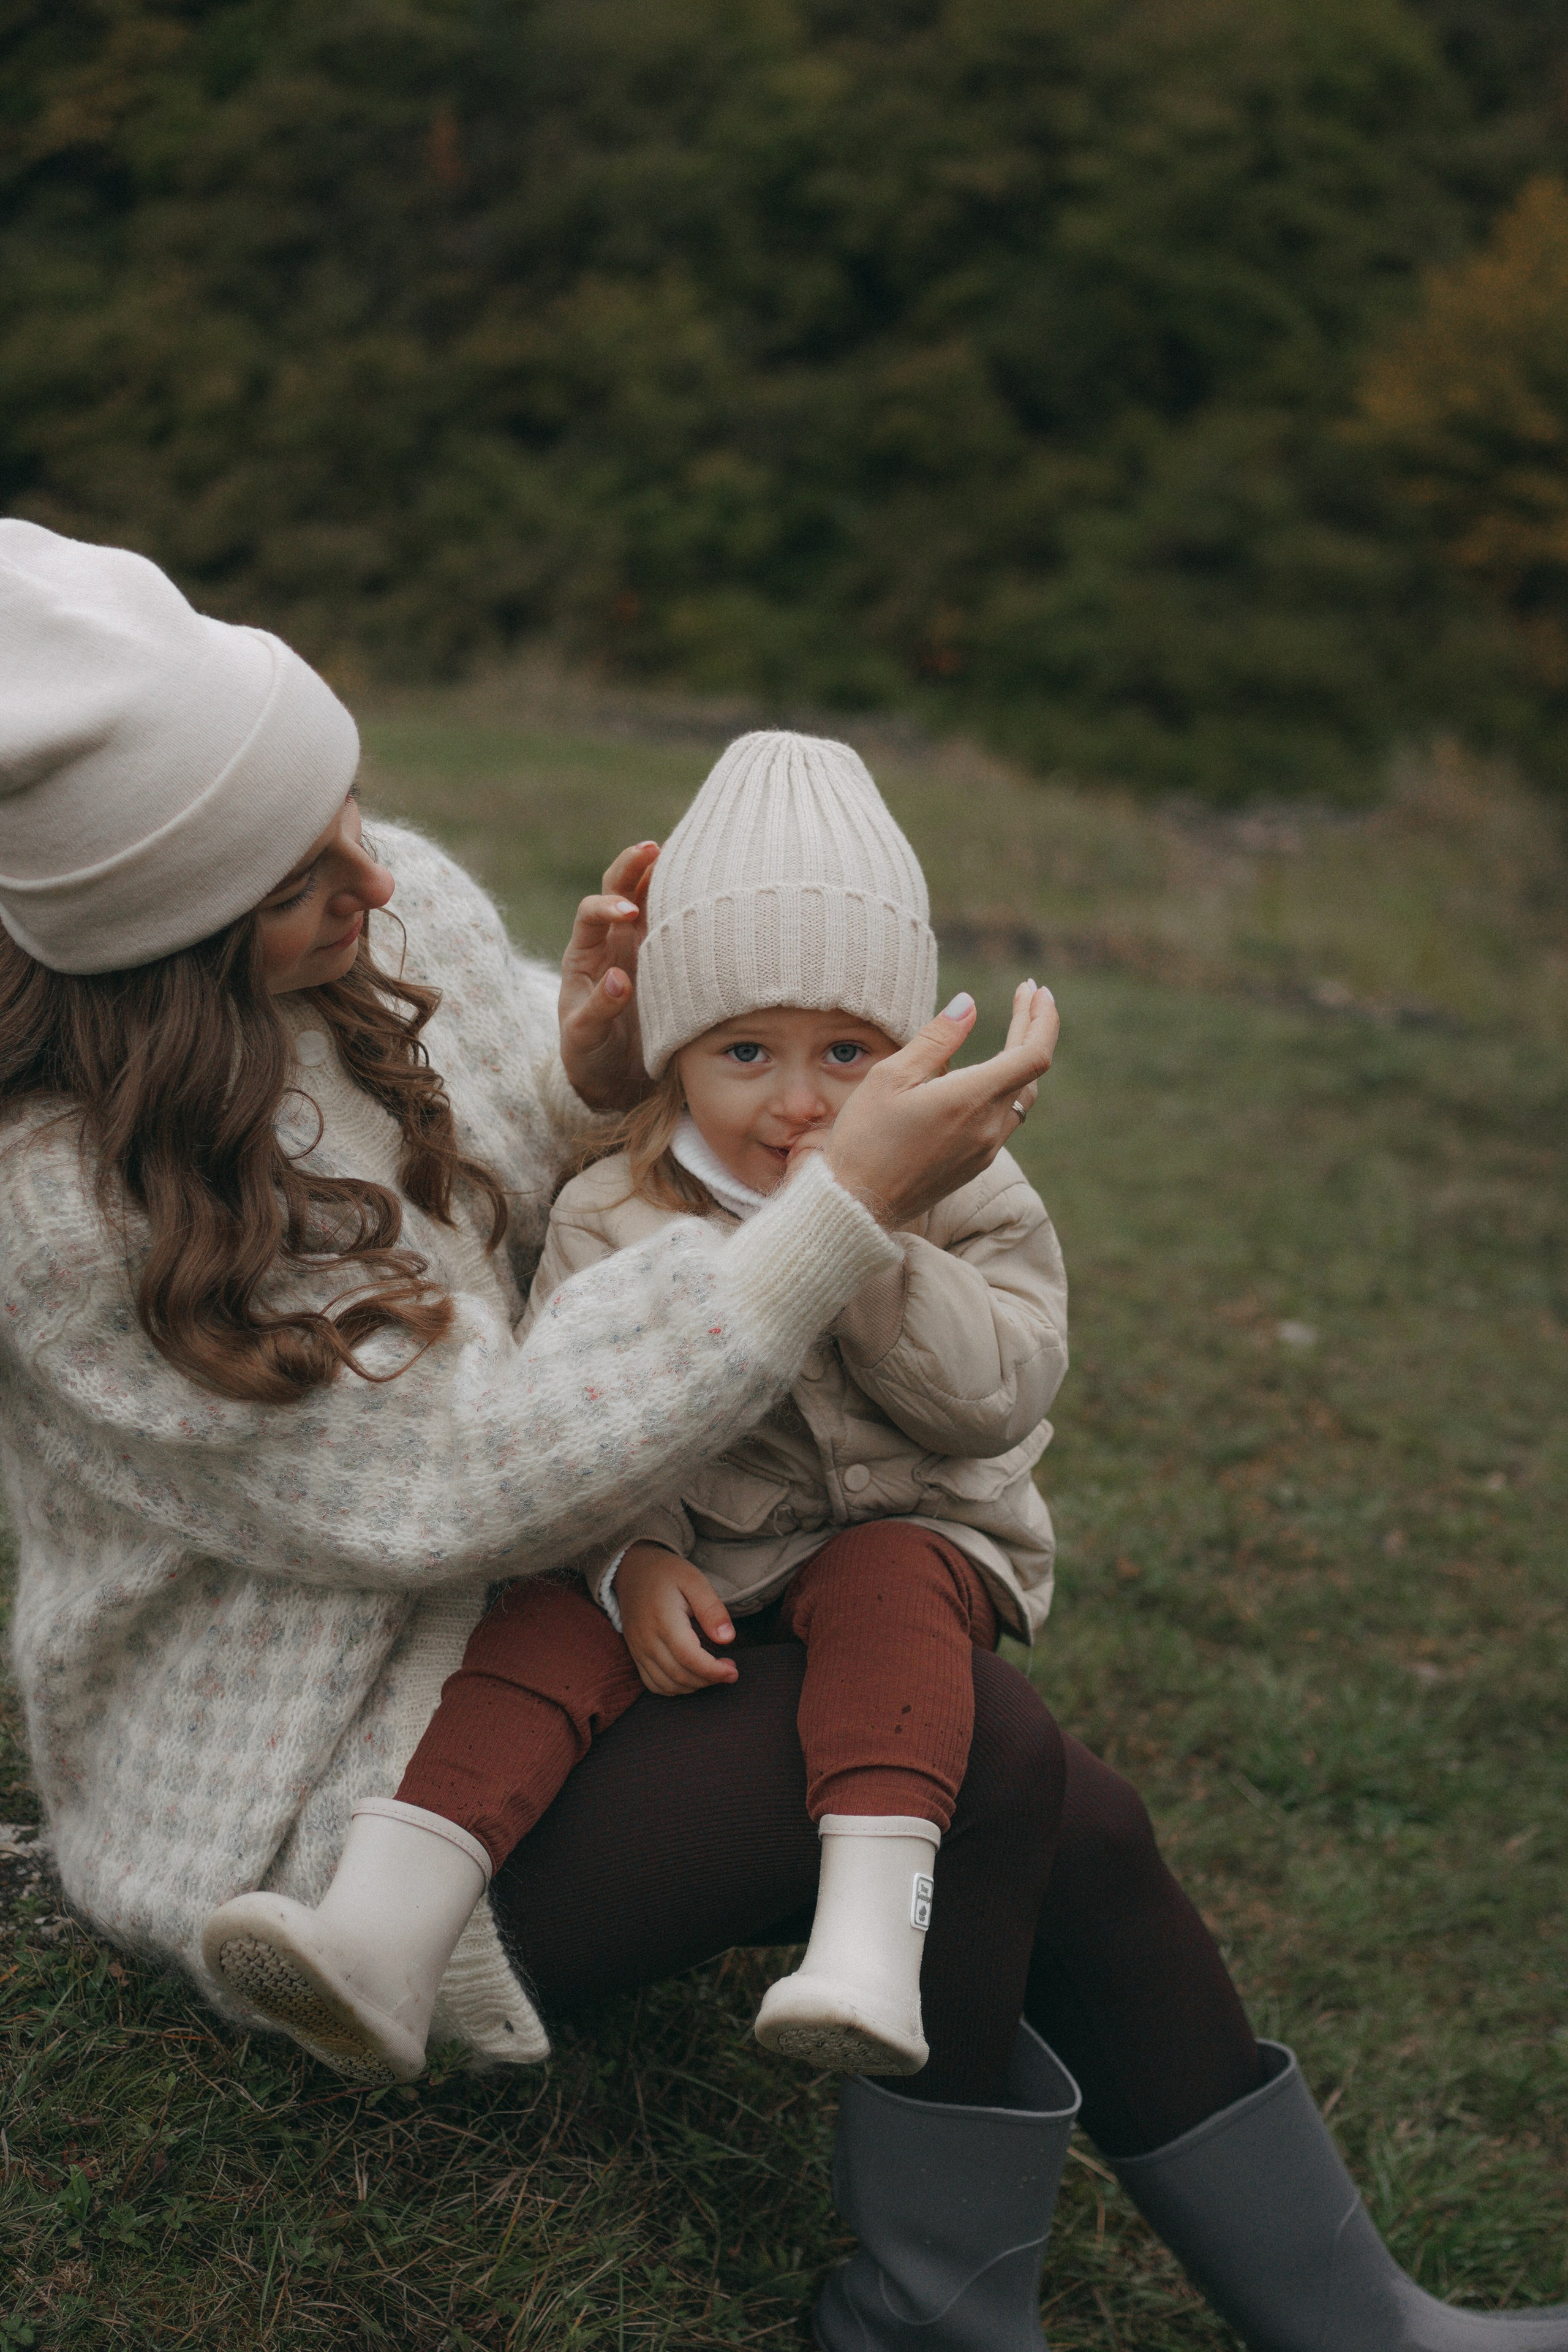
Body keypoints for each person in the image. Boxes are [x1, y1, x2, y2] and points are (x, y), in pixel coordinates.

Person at [1, 519, 1562, 2352]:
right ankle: (947, 2315)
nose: (369, 869)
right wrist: (837, 1221)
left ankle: (1347, 2321)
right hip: (332, 1786)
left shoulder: (379, 901)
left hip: (548, 1611)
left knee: (1031, 1785)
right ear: (160, 938)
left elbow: (494, 1148)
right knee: (977, 1755)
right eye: (292, 874)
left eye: (344, 798)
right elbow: (453, 1473)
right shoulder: (66, 1216)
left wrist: (580, 1070)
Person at [202, 731, 1068, 2088]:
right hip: (697, 1547)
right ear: (676, 1062)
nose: (799, 1101)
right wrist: (630, 1555)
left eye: (848, 1050)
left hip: (906, 1531)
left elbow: (991, 1402)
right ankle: (378, 1935)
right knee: (542, 1624)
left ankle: (861, 1946)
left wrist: (867, 1225)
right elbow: (587, 1410)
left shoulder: (963, 1190)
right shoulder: (619, 1204)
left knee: (899, 1593)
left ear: (909, 1055)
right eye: (744, 1052)